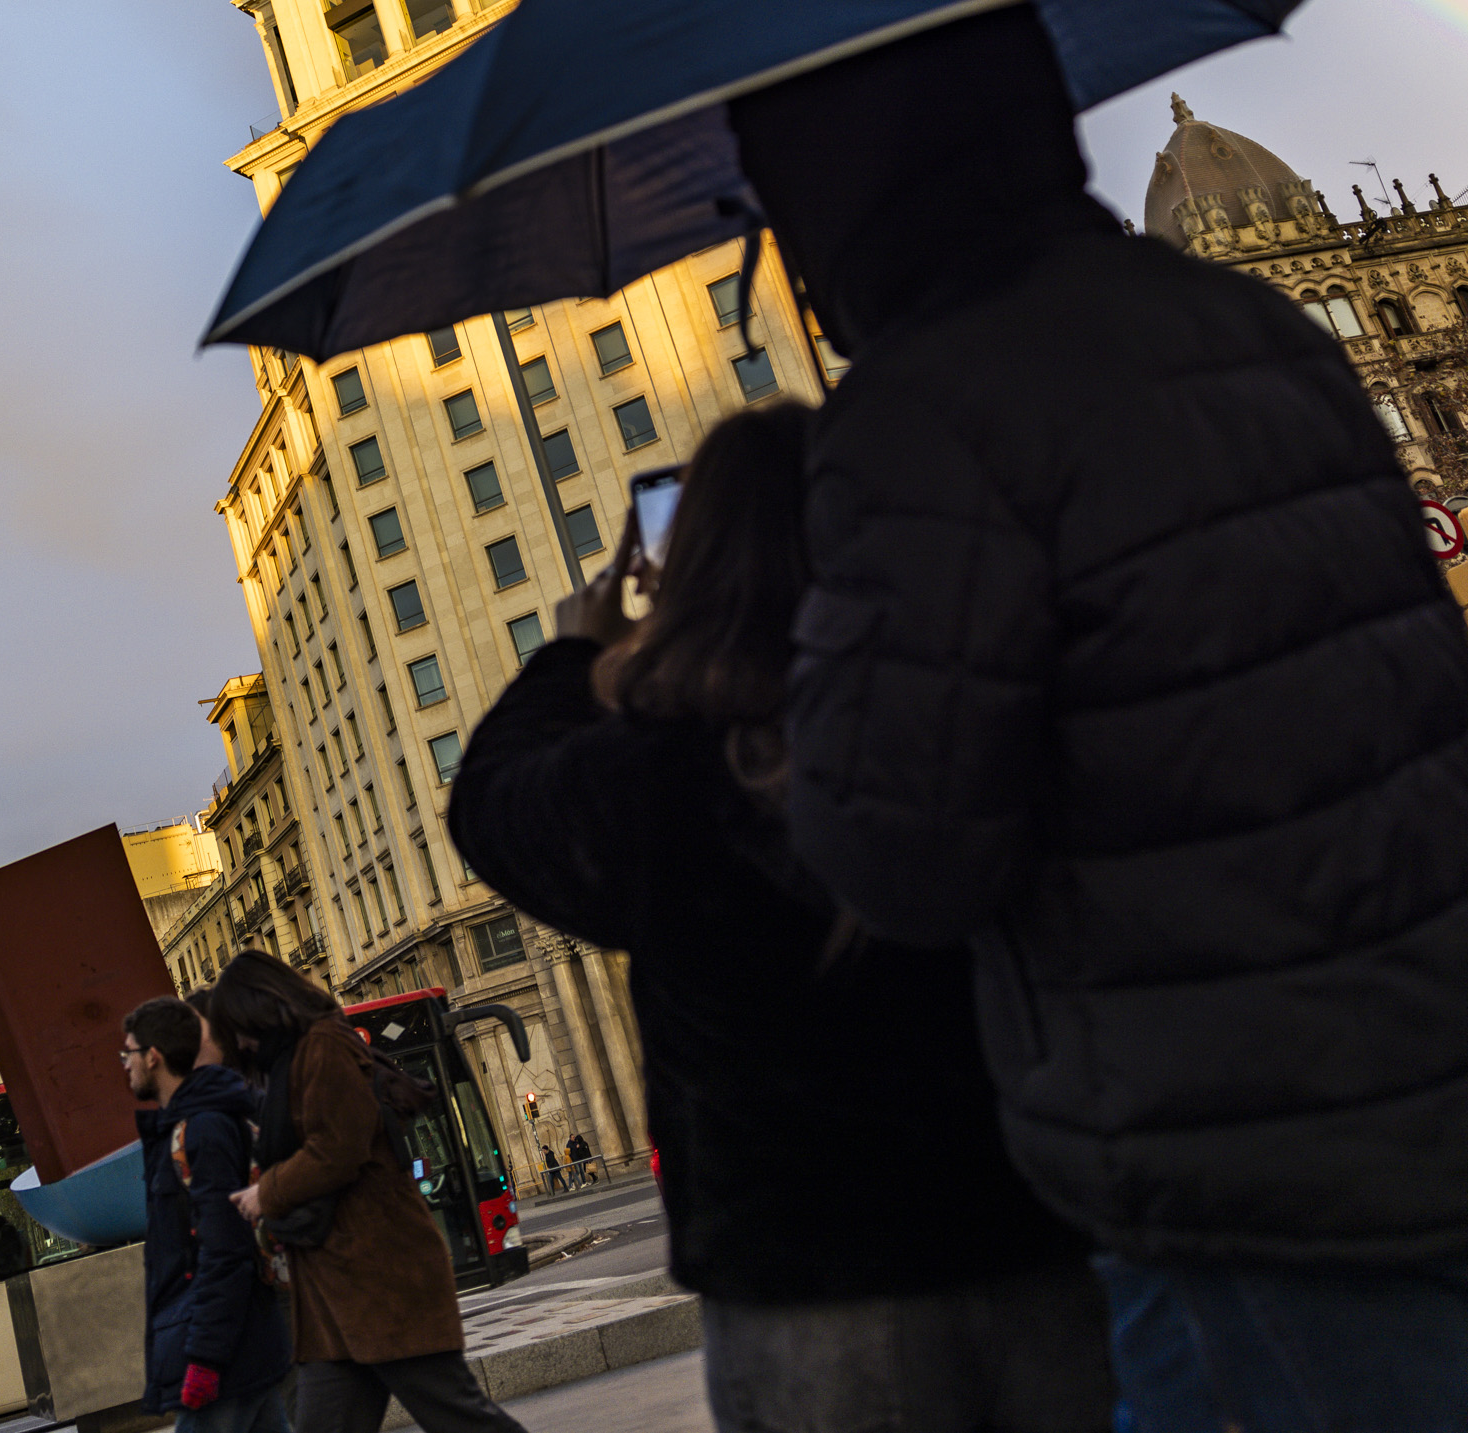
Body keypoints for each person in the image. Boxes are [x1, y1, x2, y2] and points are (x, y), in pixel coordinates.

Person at [728, 21, 1468, 1429]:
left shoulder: (926, 413)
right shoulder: (1257, 327)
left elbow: (901, 856)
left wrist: (811, 692)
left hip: (1247, 1186)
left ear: (840, 198)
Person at [448, 405, 1113, 1433]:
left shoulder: (662, 770)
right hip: (1035, 1227)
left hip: (805, 1275)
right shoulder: (966, 706)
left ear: (682, 568)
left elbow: (491, 805)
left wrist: (573, 653)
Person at [208, 953, 527, 1433]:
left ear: (259, 1008)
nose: (240, 1043)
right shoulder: (289, 1061)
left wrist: (265, 1194)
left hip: (381, 1279)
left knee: (458, 1417)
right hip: (337, 1296)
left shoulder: (323, 1046)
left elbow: (338, 1147)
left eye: (238, 1028)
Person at [127, 993, 292, 1433]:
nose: (125, 1064)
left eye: (129, 1053)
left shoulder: (203, 1128)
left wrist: (204, 1358)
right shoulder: (184, 1127)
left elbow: (224, 1250)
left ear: (154, 1057)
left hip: (225, 1356)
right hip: (237, 1347)